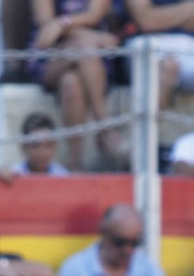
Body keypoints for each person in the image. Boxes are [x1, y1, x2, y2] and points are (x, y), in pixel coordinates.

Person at [29, 0, 124, 170]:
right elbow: (46, 25)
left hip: (94, 60)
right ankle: (104, 126)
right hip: (54, 56)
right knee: (84, 47)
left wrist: (63, 24)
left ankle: (74, 162)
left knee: (71, 82)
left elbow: (95, 15)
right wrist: (92, 37)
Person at [122, 0, 194, 107]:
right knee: (167, 67)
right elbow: (146, 21)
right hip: (150, 42)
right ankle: (154, 126)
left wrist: (161, 17)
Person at [57, 204, 168, 276]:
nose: (128, 250)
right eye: (120, 242)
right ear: (103, 234)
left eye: (135, 243)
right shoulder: (75, 270)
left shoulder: (149, 270)